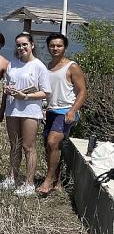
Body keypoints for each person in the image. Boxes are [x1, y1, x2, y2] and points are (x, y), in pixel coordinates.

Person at [0, 33, 52, 196]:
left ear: (32, 45)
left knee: (28, 146)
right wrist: (7, 89)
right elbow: (8, 85)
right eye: (18, 45)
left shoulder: (38, 66)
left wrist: (26, 96)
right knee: (14, 145)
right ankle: (12, 177)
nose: (21, 48)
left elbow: (46, 92)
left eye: (24, 45)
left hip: (30, 110)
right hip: (12, 109)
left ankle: (29, 183)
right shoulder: (12, 64)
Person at [39, 33, 87, 195]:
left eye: (59, 45)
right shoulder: (48, 66)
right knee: (49, 147)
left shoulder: (72, 66)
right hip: (51, 111)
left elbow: (82, 91)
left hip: (66, 111)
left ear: (64, 47)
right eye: (52, 45)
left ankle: (48, 180)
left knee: (53, 142)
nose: (55, 48)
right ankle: (57, 181)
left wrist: (73, 110)